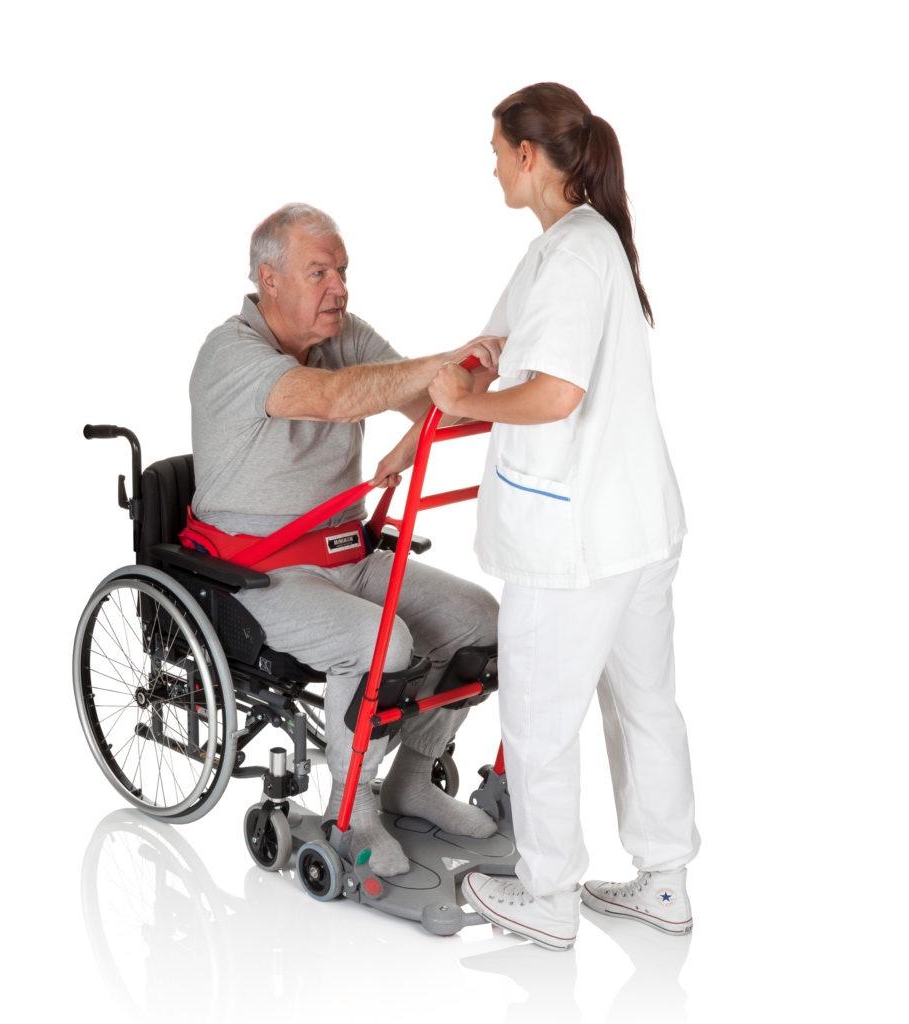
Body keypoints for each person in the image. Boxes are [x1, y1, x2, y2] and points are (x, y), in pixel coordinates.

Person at [375, 84, 699, 948]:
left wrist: (470, 406)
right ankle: (665, 884)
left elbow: (554, 394)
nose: (490, 167)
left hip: (576, 542)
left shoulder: (576, 256)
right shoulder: (570, 245)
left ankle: (548, 899)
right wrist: (426, 422)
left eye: (495, 151)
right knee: (644, 708)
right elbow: (493, 349)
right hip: (634, 528)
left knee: (539, 718)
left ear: (528, 155)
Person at [189, 202, 503, 877]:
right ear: (269, 280)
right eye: (319, 273)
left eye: (342, 271)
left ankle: (412, 782)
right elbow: (335, 397)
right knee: (379, 642)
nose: (338, 288)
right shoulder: (229, 353)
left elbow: (429, 404)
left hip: (346, 555)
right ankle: (350, 811)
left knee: (480, 619)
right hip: (256, 575)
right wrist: (443, 362)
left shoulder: (345, 335)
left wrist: (471, 380)